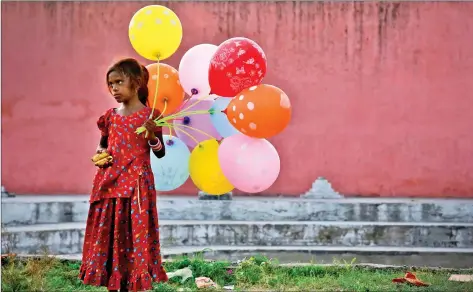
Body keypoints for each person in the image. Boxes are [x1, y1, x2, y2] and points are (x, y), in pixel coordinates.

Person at [79, 58, 168, 292]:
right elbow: (103, 146)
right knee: (112, 236)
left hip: (137, 187)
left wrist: (151, 137)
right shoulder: (110, 117)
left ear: (137, 83)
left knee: (133, 236)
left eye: (119, 82)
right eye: (111, 84)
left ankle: (133, 284)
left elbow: (159, 153)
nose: (114, 89)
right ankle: (113, 282)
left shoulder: (152, 116)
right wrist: (102, 155)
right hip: (111, 184)